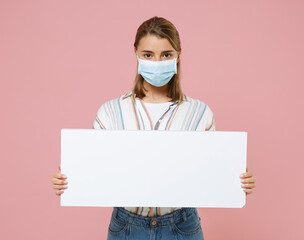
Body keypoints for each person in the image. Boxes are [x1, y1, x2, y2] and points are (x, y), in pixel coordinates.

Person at [51, 16, 256, 240]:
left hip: (182, 225)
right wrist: (68, 180)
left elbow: (211, 175)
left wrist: (237, 182)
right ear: (136, 55)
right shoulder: (110, 113)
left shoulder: (200, 113)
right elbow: (92, 171)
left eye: (166, 55)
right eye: (148, 55)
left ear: (178, 55)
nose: (157, 62)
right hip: (126, 226)